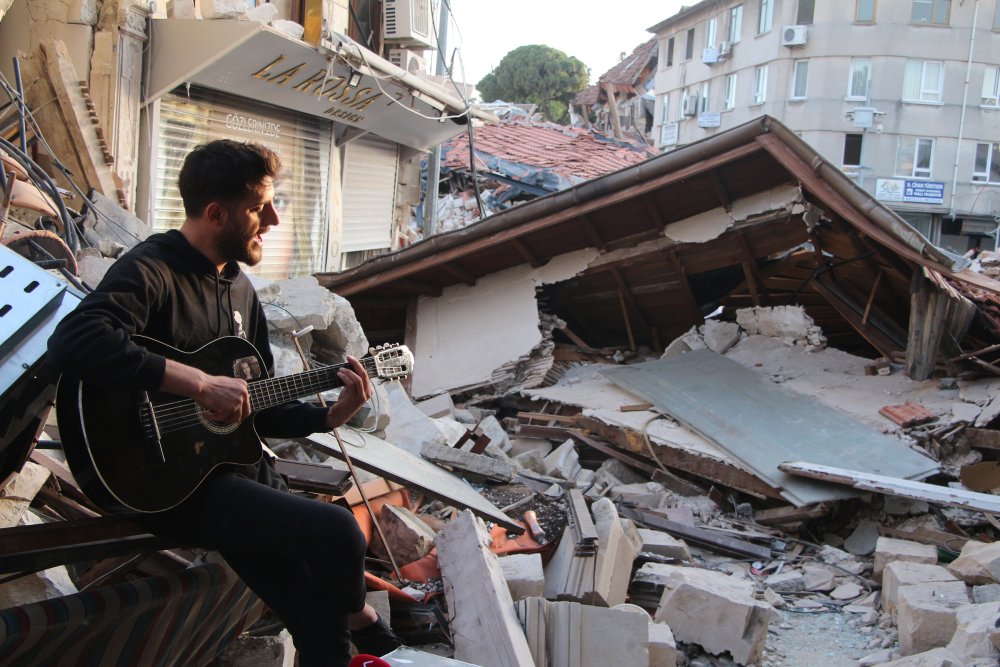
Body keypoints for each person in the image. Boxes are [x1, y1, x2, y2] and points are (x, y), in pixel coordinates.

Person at [47, 139, 400, 665]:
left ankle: (343, 623)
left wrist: (329, 415)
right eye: (260, 207)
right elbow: (75, 341)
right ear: (215, 213)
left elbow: (256, 403)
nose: (274, 219)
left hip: (230, 470)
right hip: (162, 482)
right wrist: (196, 383)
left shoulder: (240, 291)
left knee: (314, 618)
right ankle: (359, 614)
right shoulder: (154, 270)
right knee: (338, 531)